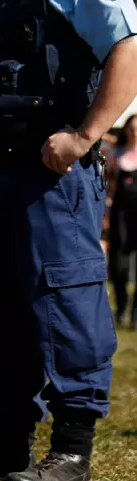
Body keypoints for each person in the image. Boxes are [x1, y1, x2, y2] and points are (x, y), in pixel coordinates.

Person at [0, 0, 137, 481]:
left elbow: (128, 47)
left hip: (54, 177)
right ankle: (9, 439)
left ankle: (72, 449)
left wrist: (86, 135)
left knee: (66, 300)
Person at [109, 114, 137, 328]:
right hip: (120, 216)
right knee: (119, 266)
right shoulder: (116, 154)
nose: (134, 132)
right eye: (132, 128)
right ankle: (120, 310)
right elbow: (110, 186)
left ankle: (135, 315)